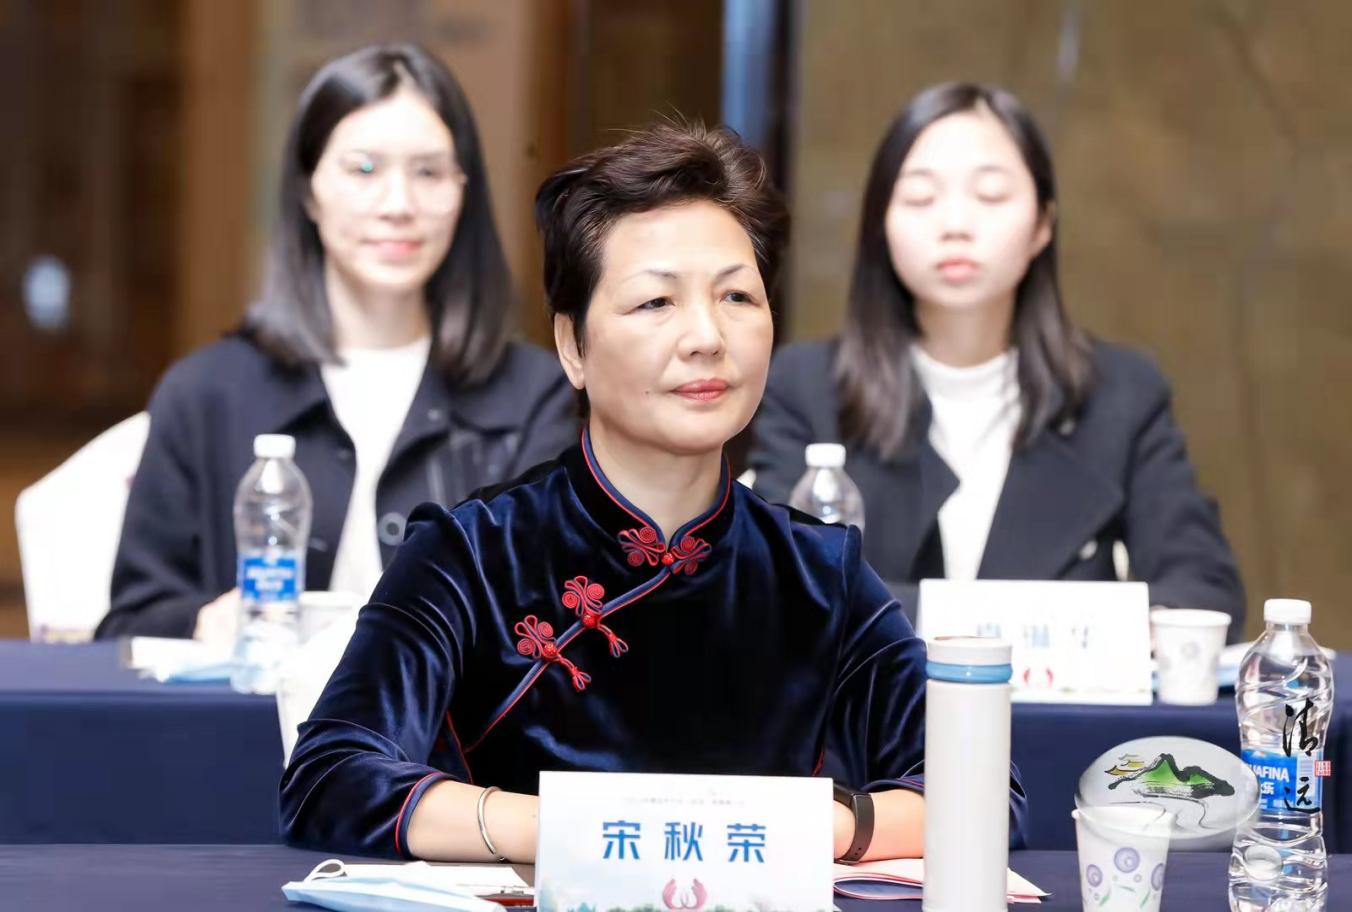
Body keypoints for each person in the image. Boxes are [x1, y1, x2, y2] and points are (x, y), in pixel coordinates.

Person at [280, 121, 1027, 862]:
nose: (706, 337)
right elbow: (330, 779)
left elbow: (984, 795)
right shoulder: (471, 552)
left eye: (737, 297)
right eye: (655, 303)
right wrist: (585, 830)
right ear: (572, 346)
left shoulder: (819, 571)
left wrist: (798, 827)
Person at [96, 44, 576, 642]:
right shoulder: (204, 393)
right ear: (307, 191)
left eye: (428, 172)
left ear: (464, 191)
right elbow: (129, 625)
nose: (398, 205)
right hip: (251, 704)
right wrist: (207, 621)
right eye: (364, 170)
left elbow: (556, 612)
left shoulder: (534, 396)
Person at [750, 82, 1245, 639]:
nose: (955, 224)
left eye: (990, 195)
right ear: (881, 225)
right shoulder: (807, 387)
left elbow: (1204, 596)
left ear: (1042, 225)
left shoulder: (1122, 394)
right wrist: (1043, 626)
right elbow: (779, 586)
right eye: (920, 198)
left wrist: (924, 616)